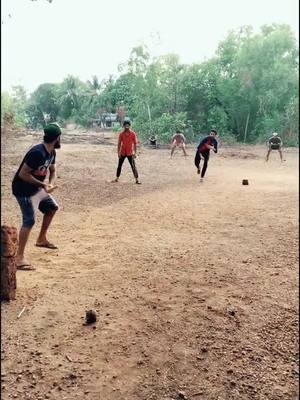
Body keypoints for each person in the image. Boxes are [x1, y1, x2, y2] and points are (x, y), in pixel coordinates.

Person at [12, 123, 62, 270]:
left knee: (52, 207)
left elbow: (52, 171)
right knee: (29, 220)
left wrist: (50, 184)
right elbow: (23, 174)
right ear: (57, 138)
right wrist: (43, 185)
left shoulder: (51, 152)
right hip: (23, 189)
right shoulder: (37, 153)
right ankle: (19, 258)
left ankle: (41, 239)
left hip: (35, 187)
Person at [113, 120, 141, 184]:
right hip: (122, 152)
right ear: (124, 126)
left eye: (128, 125)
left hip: (130, 153)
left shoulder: (133, 134)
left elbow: (135, 144)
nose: (127, 127)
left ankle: (137, 180)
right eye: (125, 125)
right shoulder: (121, 134)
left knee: (133, 166)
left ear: (129, 126)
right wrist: (118, 153)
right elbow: (119, 144)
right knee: (119, 165)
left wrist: (135, 153)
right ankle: (117, 178)